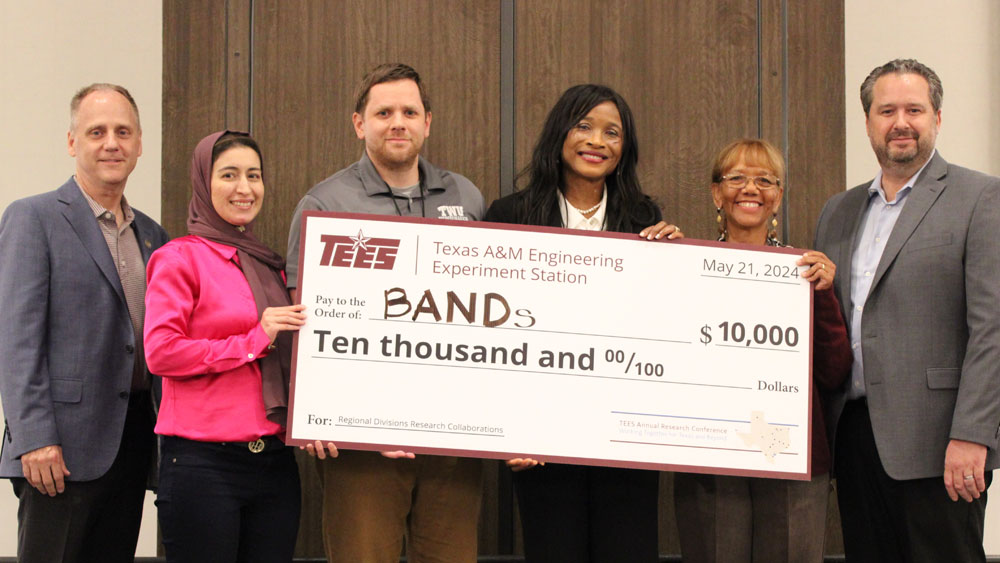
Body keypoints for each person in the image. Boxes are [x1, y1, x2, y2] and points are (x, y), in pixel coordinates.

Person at [286, 63, 486, 563]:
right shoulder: (325, 204)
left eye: (409, 112)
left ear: (427, 122)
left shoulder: (466, 197)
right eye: (383, 112)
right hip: (362, 446)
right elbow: (301, 322)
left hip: (453, 440)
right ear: (359, 123)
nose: (397, 122)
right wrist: (317, 411)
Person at [484, 83, 681, 563]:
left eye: (612, 132)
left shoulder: (643, 217)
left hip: (624, 435)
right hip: (540, 437)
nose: (597, 141)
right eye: (584, 126)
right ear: (560, 133)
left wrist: (677, 262)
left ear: (624, 147)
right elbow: (487, 335)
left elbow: (656, 320)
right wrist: (508, 427)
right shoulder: (509, 215)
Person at [814, 58, 1000, 562]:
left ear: (937, 118)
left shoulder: (980, 197)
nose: (901, 122)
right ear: (869, 122)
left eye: (914, 109)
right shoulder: (839, 209)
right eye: (886, 110)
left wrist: (972, 435)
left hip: (940, 442)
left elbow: (992, 330)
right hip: (854, 437)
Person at [0, 83, 169, 562]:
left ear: (138, 144)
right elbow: (16, 339)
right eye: (96, 131)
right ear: (73, 142)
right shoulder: (33, 218)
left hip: (132, 442)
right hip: (60, 449)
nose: (111, 143)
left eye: (123, 131)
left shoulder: (153, 236)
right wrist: (34, 438)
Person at [672, 138, 852, 562]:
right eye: (736, 178)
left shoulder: (806, 271)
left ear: (778, 198)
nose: (750, 189)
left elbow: (833, 371)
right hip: (709, 460)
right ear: (717, 192)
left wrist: (824, 295)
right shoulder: (682, 269)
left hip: (791, 459)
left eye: (764, 180)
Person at [143, 131, 305, 562]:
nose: (244, 188)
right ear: (202, 182)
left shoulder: (269, 264)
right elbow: (161, 353)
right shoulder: (179, 257)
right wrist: (254, 340)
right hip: (203, 466)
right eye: (229, 175)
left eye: (254, 175)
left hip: (274, 464)